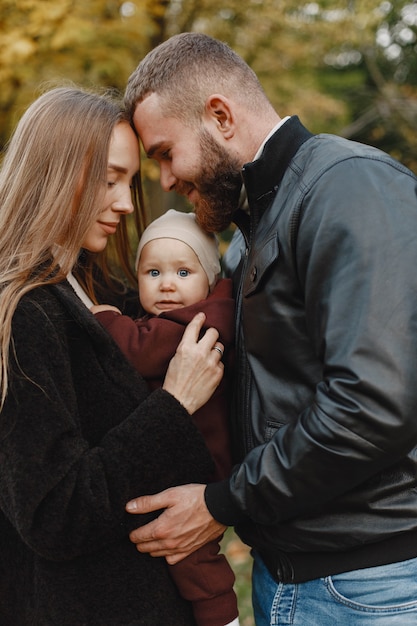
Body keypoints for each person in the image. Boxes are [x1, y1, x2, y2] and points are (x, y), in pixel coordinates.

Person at [123, 32, 417, 626]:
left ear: (220, 116)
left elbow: (375, 402)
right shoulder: (248, 232)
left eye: (163, 152)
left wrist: (223, 501)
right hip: (284, 580)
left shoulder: (351, 187)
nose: (164, 180)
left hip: (369, 588)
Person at [0, 85, 227, 625]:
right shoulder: (24, 315)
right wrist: (174, 403)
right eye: (109, 181)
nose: (126, 204)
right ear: (55, 175)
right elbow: (54, 514)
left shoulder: (96, 288)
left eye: (127, 182)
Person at [91, 208, 239, 626]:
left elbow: (141, 349)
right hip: (182, 453)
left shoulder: (205, 319)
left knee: (192, 556)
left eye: (183, 272)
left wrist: (104, 319)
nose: (167, 284)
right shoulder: (179, 316)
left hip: (201, 461)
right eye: (152, 273)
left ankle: (222, 617)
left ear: (209, 279)